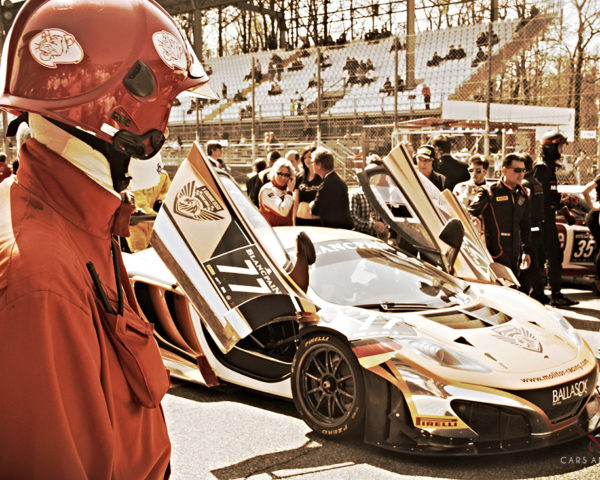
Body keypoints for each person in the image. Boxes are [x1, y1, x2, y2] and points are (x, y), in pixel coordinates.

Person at [0, 0, 218, 477]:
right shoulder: (43, 275)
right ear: (115, 113)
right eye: (166, 106)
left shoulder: (75, 220)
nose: (168, 127)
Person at [532, 131, 579, 307]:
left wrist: (564, 207)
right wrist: (561, 201)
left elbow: (551, 195)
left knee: (553, 256)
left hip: (549, 217)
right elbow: (539, 196)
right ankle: (551, 295)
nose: (561, 150)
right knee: (546, 256)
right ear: (550, 148)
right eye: (559, 146)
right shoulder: (541, 168)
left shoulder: (549, 168)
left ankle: (553, 293)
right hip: (543, 220)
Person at [468, 153, 532, 277]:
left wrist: (527, 251)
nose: (521, 174)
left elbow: (525, 225)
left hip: (515, 253)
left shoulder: (523, 193)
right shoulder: (489, 191)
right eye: (517, 170)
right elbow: (469, 213)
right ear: (504, 170)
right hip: (494, 253)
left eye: (523, 170)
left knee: (515, 288)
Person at [519, 153, 548, 303]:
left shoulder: (525, 184)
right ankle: (530, 292)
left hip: (529, 226)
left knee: (530, 262)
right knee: (534, 261)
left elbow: (522, 208)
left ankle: (538, 294)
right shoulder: (536, 182)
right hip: (538, 225)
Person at [127, 153, 171, 252]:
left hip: (152, 220)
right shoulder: (134, 178)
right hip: (136, 220)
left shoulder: (163, 176)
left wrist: (167, 210)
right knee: (138, 250)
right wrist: (159, 216)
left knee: (153, 251)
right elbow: (140, 202)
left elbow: (168, 194)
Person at [310, 148, 354, 229]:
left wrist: (311, 204)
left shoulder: (326, 184)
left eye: (312, 162)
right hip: (344, 228)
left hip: (336, 230)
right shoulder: (337, 179)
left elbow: (315, 211)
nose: (311, 165)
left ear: (319, 164)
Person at [349, 154, 387, 238]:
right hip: (360, 239)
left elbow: (384, 217)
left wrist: (383, 225)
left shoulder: (379, 197)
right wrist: (372, 225)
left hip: (377, 239)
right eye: (372, 176)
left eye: (377, 176)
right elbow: (352, 219)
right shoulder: (355, 195)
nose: (374, 179)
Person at [258, 158, 296, 226]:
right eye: (280, 174)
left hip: (289, 231)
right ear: (274, 173)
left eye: (286, 175)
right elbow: (283, 211)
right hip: (273, 232)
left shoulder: (289, 189)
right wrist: (289, 192)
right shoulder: (267, 190)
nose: (283, 178)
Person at [293, 146, 321, 226]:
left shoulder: (322, 176)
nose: (307, 160)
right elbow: (296, 202)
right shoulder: (299, 177)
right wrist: (293, 221)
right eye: (305, 158)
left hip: (318, 221)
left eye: (310, 157)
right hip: (301, 219)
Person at [582, 173, 600, 294]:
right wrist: (593, 206)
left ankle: (597, 282)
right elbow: (585, 190)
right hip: (597, 215)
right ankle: (598, 282)